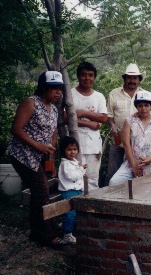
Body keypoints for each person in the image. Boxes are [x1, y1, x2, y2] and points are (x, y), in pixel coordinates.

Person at [8, 71, 65, 247]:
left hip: (40, 156)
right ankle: (47, 235)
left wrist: (51, 161)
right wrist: (38, 146)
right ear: (43, 87)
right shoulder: (30, 103)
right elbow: (16, 129)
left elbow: (53, 136)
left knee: (40, 191)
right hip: (22, 155)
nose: (57, 92)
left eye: (59, 89)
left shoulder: (54, 109)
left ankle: (36, 231)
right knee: (41, 191)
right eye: (53, 88)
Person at [105, 63, 151, 185]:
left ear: (139, 80)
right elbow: (109, 114)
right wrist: (112, 125)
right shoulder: (114, 94)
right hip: (119, 141)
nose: (132, 80)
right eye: (129, 77)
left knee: (145, 185)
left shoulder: (145, 96)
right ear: (124, 78)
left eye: (135, 78)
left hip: (146, 157)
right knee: (113, 175)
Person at [109, 91, 151, 185]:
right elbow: (126, 144)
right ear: (136, 106)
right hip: (131, 163)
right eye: (140, 105)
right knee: (114, 182)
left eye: (146, 105)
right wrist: (134, 165)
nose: (143, 109)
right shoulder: (129, 121)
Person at [70, 62, 107, 191]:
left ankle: (91, 209)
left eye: (90, 75)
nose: (87, 78)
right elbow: (64, 117)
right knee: (74, 179)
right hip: (73, 145)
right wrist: (87, 122)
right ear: (78, 76)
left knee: (92, 180)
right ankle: (75, 210)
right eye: (84, 75)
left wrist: (82, 113)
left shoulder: (99, 96)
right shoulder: (70, 94)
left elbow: (103, 118)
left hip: (93, 146)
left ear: (94, 78)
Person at [58, 136, 87, 245]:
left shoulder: (73, 162)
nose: (72, 152)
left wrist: (83, 172)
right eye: (69, 149)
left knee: (74, 213)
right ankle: (67, 235)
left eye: (74, 149)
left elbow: (77, 175)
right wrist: (81, 169)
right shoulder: (65, 163)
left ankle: (66, 225)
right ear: (63, 151)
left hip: (77, 191)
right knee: (70, 213)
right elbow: (71, 176)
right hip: (69, 192)